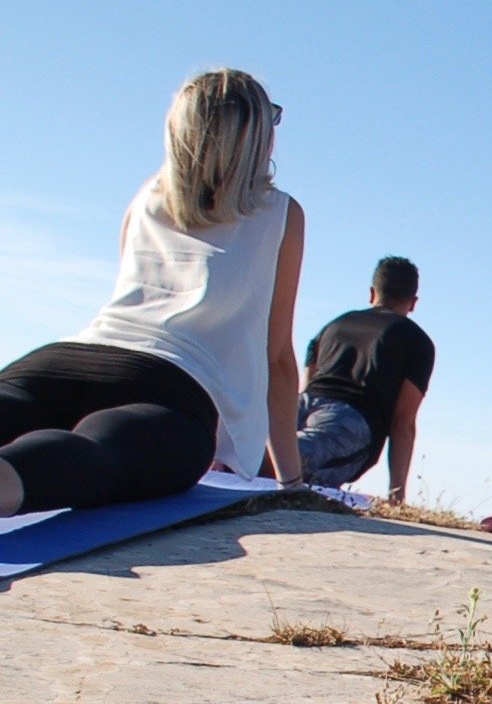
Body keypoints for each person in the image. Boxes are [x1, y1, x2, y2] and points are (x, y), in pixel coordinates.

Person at [0, 70, 304, 516]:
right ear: (255, 136)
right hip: (170, 388)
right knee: (96, 456)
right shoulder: (280, 215)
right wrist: (292, 481)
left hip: (64, 361)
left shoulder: (147, 196)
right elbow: (276, 357)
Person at [294, 257, 435, 500]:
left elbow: (308, 385)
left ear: (372, 293)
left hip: (300, 405)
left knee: (256, 452)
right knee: (291, 458)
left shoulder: (332, 326)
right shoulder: (416, 341)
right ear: (413, 303)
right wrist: (396, 495)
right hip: (349, 419)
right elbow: (403, 423)